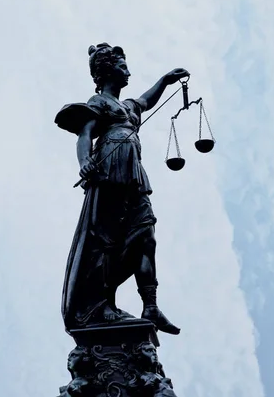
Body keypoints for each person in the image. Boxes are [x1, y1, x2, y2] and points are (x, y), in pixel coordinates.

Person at [55, 43, 189, 335]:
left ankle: (150, 305)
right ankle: (101, 304)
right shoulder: (99, 102)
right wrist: (85, 161)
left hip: (133, 174)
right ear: (107, 70)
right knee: (107, 240)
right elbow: (85, 134)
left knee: (146, 235)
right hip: (110, 169)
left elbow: (145, 100)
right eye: (122, 64)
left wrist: (166, 81)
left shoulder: (128, 106)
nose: (128, 69)